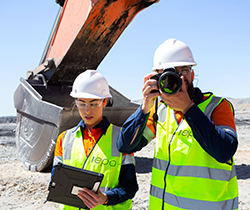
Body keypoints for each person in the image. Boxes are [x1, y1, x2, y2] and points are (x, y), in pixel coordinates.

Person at [117, 38, 238, 210]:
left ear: (192, 74)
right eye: (170, 73)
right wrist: (144, 108)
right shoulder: (159, 109)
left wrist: (188, 108)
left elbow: (225, 151)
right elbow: (126, 145)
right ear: (156, 78)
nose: (179, 78)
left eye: (184, 70)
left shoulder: (217, 107)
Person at [51, 70, 138, 210]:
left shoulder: (121, 138)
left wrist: (105, 198)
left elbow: (130, 187)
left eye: (93, 104)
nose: (87, 111)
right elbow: (56, 183)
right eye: (81, 103)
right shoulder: (64, 139)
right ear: (75, 102)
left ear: (104, 102)